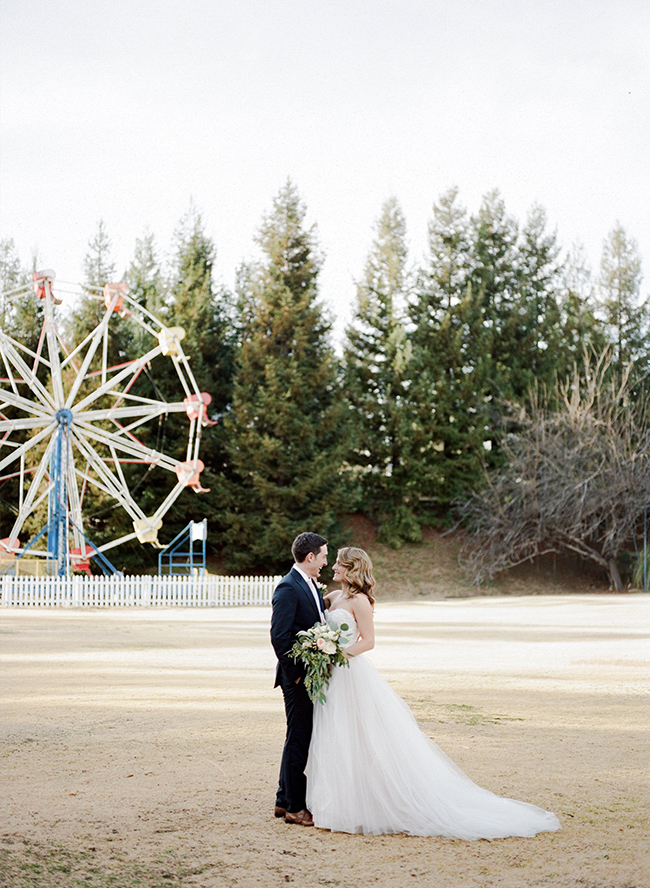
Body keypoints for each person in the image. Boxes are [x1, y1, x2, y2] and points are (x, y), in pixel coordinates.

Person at [305, 546, 562, 839]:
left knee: (360, 738)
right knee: (337, 736)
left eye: (339, 563)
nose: (334, 567)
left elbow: (368, 642)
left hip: (349, 673)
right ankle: (339, 803)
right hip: (331, 677)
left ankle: (366, 806)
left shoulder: (360, 601)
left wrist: (335, 655)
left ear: (351, 568)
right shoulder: (334, 596)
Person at [270, 532, 328, 827]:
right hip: (297, 678)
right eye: (324, 557)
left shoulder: (309, 585)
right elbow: (279, 637)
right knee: (299, 740)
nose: (326, 563)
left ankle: (283, 799)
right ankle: (294, 807)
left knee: (296, 736)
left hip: (308, 675)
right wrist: (295, 676)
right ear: (310, 557)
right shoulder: (288, 587)